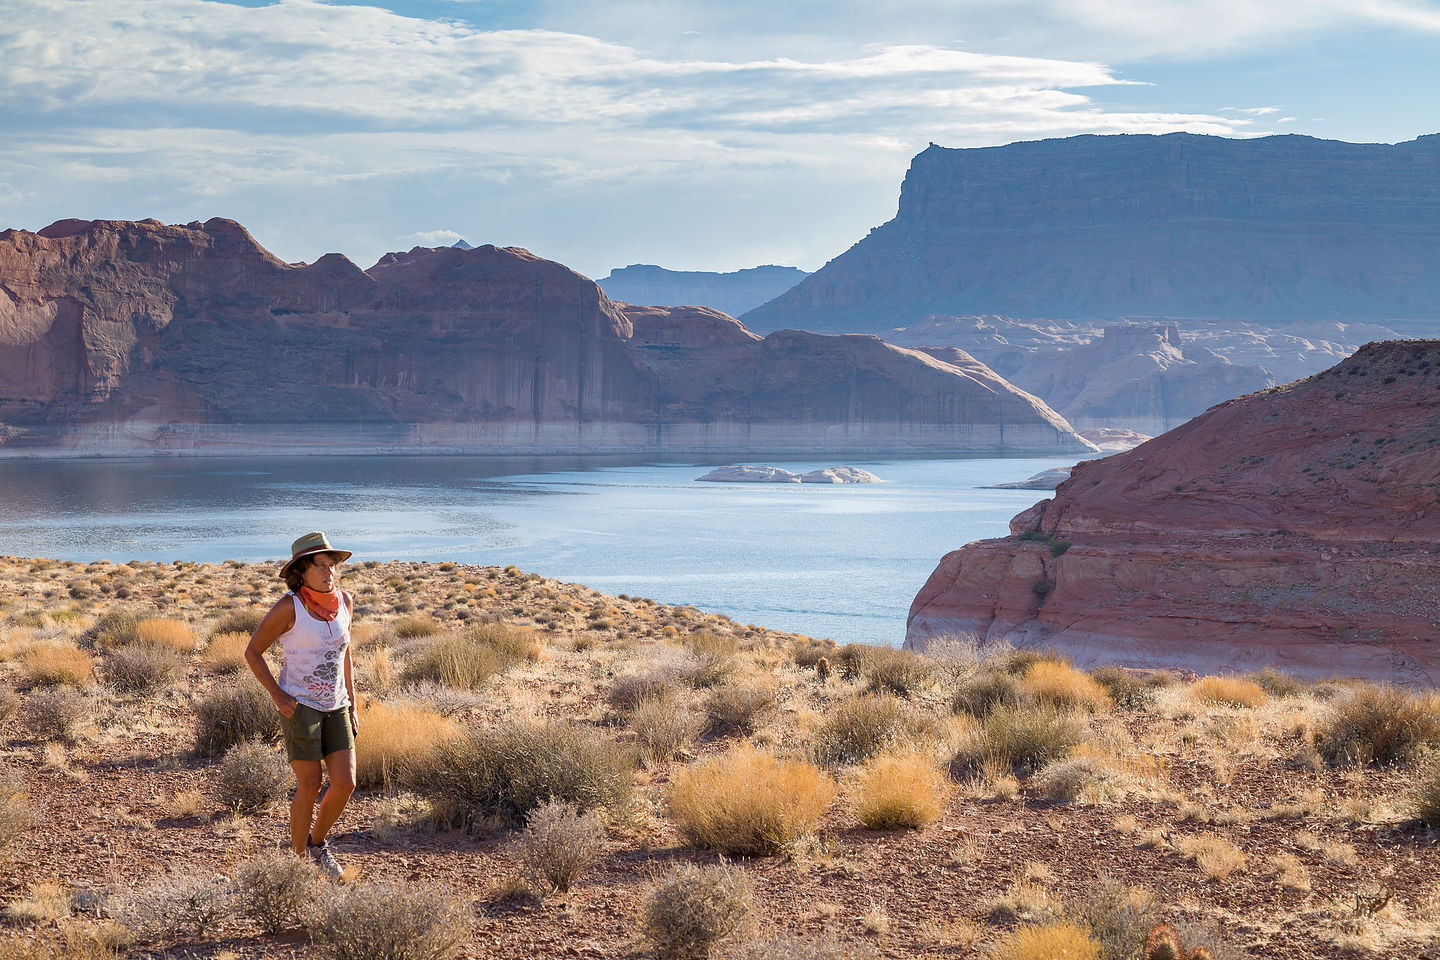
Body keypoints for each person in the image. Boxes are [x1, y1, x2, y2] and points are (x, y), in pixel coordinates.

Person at [245, 531, 358, 880]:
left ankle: (316, 843)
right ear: (301, 572)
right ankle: (296, 865)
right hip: (301, 704)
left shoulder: (346, 602)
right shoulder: (288, 607)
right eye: (319, 566)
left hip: (336, 704)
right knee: (309, 784)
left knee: (346, 782)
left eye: (331, 565)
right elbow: (253, 652)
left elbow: (346, 655)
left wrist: (352, 703)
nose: (328, 572)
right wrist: (277, 694)